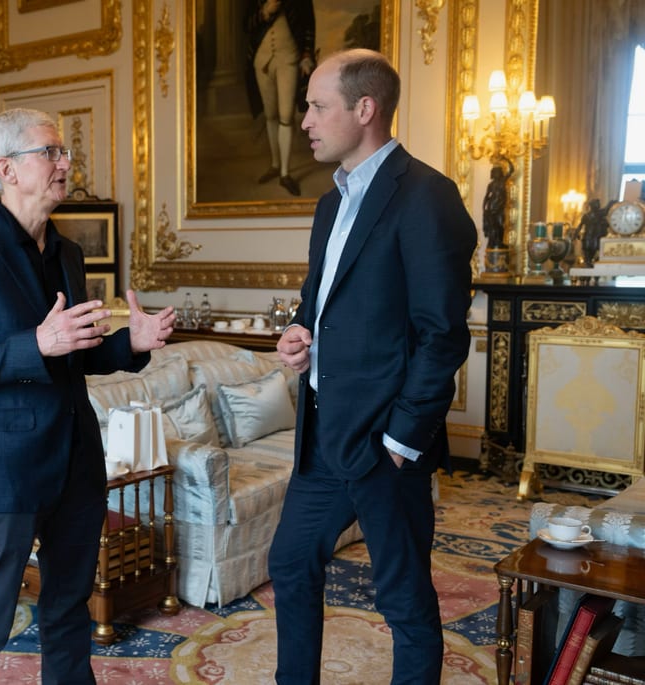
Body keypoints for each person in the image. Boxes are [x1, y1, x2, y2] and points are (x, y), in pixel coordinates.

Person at [0, 108, 176, 685]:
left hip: (76, 462)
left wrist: (128, 343)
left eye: (64, 152)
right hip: (1, 471)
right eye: (51, 152)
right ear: (7, 169)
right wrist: (35, 343)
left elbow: (75, 355)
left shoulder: (67, 254)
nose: (66, 163)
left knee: (68, 610)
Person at [268, 49, 476, 684]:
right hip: (324, 433)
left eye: (316, 105)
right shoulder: (331, 203)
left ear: (365, 109)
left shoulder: (427, 196)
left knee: (403, 595)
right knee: (290, 562)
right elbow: (321, 302)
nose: (303, 120)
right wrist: (299, 336)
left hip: (386, 441)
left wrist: (402, 440)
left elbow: (442, 334)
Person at [245, 0, 316, 197]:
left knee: (286, 115)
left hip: (289, 57)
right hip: (262, 59)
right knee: (271, 114)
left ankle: (285, 173)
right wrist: (264, 12)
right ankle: (275, 164)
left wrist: (306, 54)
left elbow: (308, 24)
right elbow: (246, 25)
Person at [482, 157, 513, 248]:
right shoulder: (491, 185)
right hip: (492, 207)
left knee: (501, 225)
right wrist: (484, 209)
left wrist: (506, 159)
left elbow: (511, 170)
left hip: (500, 208)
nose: (497, 174)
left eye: (498, 172)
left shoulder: (502, 181)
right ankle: (493, 243)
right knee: (493, 227)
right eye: (495, 172)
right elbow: (487, 197)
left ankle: (499, 242)